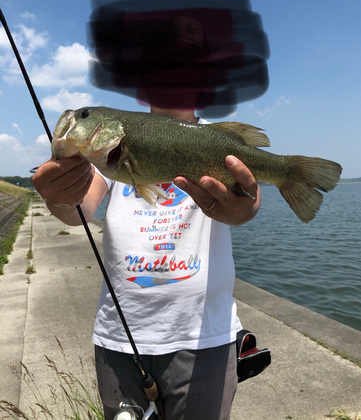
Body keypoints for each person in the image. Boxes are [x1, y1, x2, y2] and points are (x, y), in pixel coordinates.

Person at [32, 99, 260, 420]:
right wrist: (60, 196)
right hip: (119, 339)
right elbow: (79, 210)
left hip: (206, 336)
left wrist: (245, 209)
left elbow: (247, 202)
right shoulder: (105, 153)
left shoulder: (220, 139)